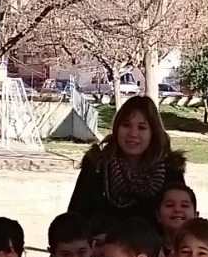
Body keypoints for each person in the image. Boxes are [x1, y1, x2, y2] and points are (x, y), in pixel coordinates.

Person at [67, 96, 187, 234]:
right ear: (117, 128)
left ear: (153, 133)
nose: (133, 133)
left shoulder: (171, 169)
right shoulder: (96, 165)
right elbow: (75, 220)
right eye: (126, 125)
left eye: (142, 127)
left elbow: (183, 223)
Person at [158, 183, 199, 257]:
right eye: (170, 205)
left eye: (184, 205)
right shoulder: (145, 248)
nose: (177, 210)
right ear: (158, 215)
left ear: (196, 215)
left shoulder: (207, 250)